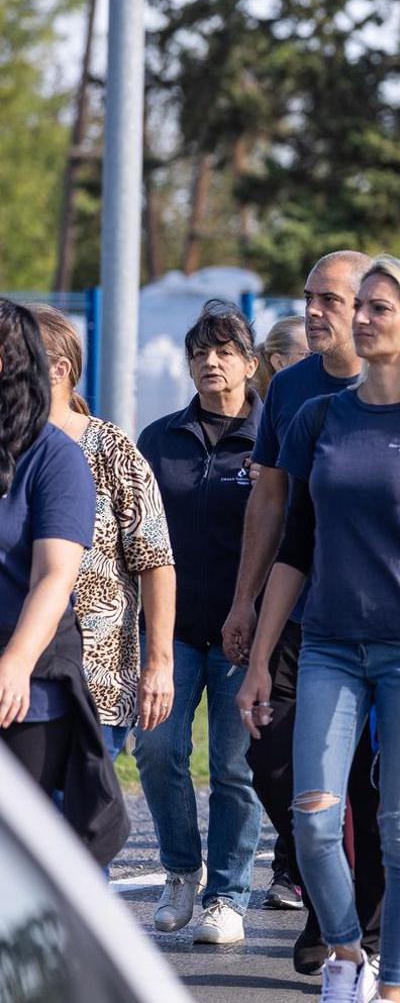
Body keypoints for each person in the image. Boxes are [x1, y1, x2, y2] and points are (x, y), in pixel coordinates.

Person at [237, 255, 400, 1002]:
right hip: (328, 647)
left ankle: (394, 987)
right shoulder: (319, 416)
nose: (363, 317)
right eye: (363, 305)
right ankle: (348, 948)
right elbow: (296, 546)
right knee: (314, 820)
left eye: (381, 308)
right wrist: (258, 660)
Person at [223, 250, 372, 963]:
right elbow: (271, 501)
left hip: (382, 616)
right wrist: (245, 603)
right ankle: (325, 898)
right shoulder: (291, 391)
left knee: (367, 784)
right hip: (295, 605)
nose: (313, 311)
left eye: (330, 301)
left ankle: (352, 924)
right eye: (308, 298)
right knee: (274, 758)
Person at [134, 300, 266, 945]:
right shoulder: (160, 439)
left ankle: (228, 895)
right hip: (171, 631)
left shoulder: (273, 433)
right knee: (157, 749)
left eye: (223, 352)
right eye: (199, 353)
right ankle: (182, 870)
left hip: (248, 632)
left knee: (235, 768)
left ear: (249, 362)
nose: (210, 363)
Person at [0, 300, 128, 866]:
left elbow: (55, 576)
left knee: (24, 861)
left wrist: (15, 663)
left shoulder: (54, 458)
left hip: (27, 684)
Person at [32, 306, 177, 758]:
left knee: (71, 821)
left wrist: (159, 664)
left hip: (97, 679)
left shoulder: (110, 449)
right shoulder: (8, 448)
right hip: (16, 671)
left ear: (59, 370)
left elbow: (155, 560)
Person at [251, 315, 309, 399]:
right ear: (279, 363)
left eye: (322, 353)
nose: (320, 360)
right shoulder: (253, 406)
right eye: (308, 354)